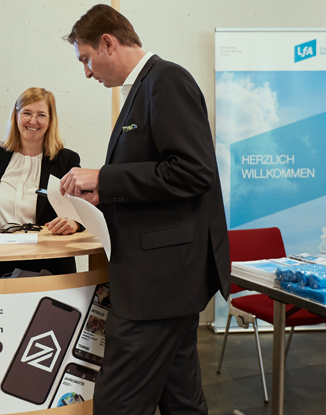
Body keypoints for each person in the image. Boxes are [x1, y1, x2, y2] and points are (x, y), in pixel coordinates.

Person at [60, 5, 231, 415]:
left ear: (108, 43)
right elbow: (159, 176)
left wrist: (104, 179)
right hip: (167, 283)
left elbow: (193, 171)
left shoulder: (166, 80)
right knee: (182, 400)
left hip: (158, 286)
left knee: (118, 403)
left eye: (86, 59)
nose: (86, 72)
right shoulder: (143, 88)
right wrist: (105, 195)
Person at [0, 87, 82, 278]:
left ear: (50, 120)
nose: (33, 121)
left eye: (41, 115)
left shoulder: (66, 160)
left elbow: (85, 204)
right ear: (16, 116)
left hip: (48, 264)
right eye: (27, 113)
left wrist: (75, 223)